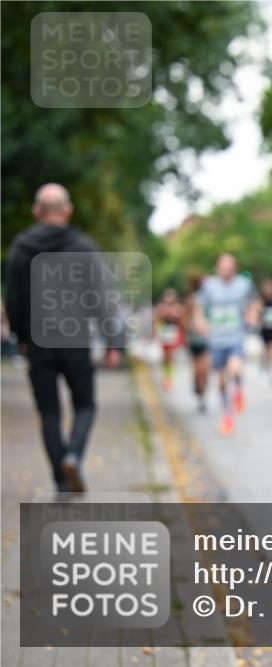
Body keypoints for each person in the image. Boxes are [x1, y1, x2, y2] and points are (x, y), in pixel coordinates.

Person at [4, 183, 123, 493]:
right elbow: (100, 297)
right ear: (67, 210)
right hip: (75, 341)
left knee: (49, 412)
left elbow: (13, 299)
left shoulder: (20, 247)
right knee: (85, 405)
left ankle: (60, 478)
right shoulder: (83, 247)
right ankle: (73, 455)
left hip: (38, 342)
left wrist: (20, 336)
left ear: (36, 212)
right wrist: (113, 340)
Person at [193, 253, 259, 436]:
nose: (227, 270)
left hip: (236, 337)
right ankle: (228, 417)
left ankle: (239, 388)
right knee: (221, 381)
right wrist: (200, 322)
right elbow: (198, 306)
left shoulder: (244, 285)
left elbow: (255, 303)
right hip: (216, 339)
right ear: (217, 267)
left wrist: (252, 314)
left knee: (235, 368)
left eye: (230, 266)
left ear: (235, 268)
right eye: (223, 266)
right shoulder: (209, 286)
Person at [183, 272, 211, 413]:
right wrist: (192, 327)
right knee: (198, 370)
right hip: (194, 340)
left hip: (208, 340)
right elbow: (184, 320)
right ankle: (198, 388)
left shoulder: (212, 299)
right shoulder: (191, 300)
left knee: (205, 369)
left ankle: (203, 396)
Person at [154, 288, 185, 390]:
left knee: (171, 356)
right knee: (166, 357)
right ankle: (166, 376)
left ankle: (169, 379)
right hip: (165, 333)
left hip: (174, 332)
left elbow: (183, 322)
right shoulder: (161, 308)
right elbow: (156, 321)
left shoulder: (178, 308)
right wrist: (156, 333)